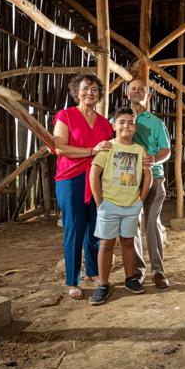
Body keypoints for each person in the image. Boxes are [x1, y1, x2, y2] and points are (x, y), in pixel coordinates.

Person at [53, 74, 113, 300]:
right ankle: (73, 280)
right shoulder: (66, 116)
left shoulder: (105, 123)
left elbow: (110, 151)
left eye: (95, 89)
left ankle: (94, 272)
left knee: (95, 227)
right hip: (71, 178)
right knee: (75, 227)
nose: (90, 92)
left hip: (98, 179)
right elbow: (60, 148)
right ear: (76, 91)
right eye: (86, 88)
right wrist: (91, 151)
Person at [88, 107, 152, 305]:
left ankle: (130, 278)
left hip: (131, 205)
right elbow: (94, 175)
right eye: (122, 122)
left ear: (135, 127)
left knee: (127, 242)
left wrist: (140, 200)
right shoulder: (108, 147)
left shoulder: (140, 150)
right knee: (106, 244)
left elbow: (147, 175)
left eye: (131, 122)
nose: (126, 125)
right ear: (114, 125)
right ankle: (103, 284)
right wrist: (100, 202)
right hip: (110, 205)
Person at [126, 79, 172, 289]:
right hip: (128, 180)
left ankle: (158, 271)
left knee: (152, 223)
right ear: (127, 94)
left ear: (148, 96)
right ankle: (137, 271)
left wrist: (154, 159)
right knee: (132, 223)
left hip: (154, 177)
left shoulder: (155, 122)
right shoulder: (118, 120)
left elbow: (166, 150)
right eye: (133, 88)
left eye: (141, 89)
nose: (136, 91)